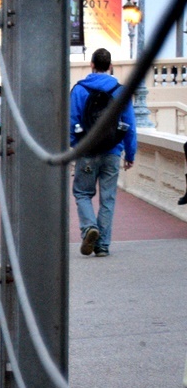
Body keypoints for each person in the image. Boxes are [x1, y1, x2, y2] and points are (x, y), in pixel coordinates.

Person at [69, 47, 136, 257]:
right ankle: (103, 245)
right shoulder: (120, 90)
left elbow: (71, 122)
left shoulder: (79, 89)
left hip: (87, 150)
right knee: (108, 198)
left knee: (82, 193)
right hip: (113, 150)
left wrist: (75, 146)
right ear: (110, 66)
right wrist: (130, 154)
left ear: (91, 65)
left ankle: (89, 227)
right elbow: (130, 125)